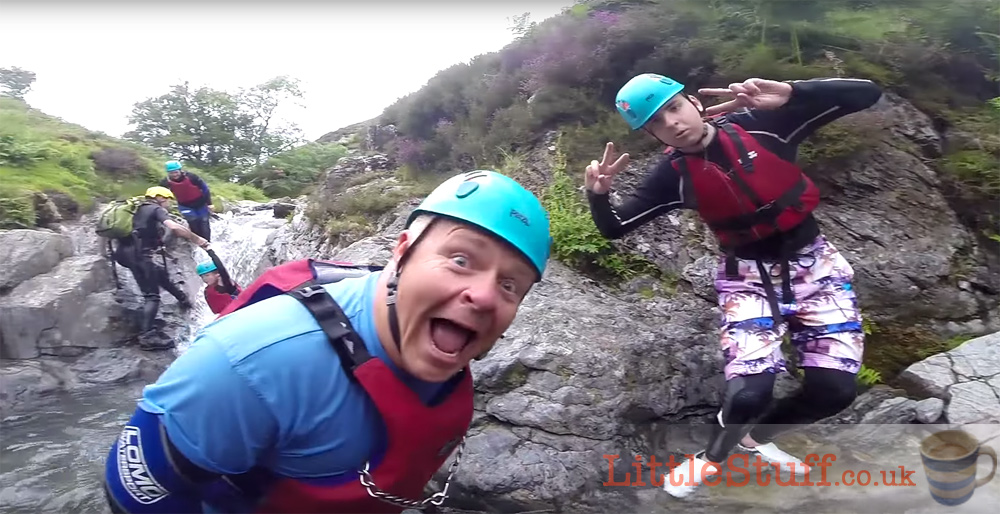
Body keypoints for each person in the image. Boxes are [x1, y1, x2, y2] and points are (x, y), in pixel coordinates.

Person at [102, 170, 552, 513]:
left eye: (510, 286)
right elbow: (131, 492)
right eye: (460, 259)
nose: (487, 296)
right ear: (401, 253)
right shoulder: (254, 361)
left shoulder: (438, 325)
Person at [586, 74, 882, 497]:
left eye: (674, 107)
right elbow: (616, 228)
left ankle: (757, 440)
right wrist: (598, 195)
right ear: (651, 133)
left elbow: (867, 93)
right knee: (747, 394)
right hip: (749, 280)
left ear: (692, 101)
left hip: (817, 268)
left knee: (835, 391)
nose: (672, 123)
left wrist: (794, 92)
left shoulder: (764, 124)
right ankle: (711, 458)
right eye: (656, 122)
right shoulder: (672, 175)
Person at [112, 186, 211, 350]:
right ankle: (147, 336)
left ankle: (181, 297)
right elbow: (173, 227)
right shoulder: (156, 209)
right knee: (152, 296)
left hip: (123, 253)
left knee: (157, 272)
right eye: (169, 200)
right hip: (139, 255)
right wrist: (198, 239)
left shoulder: (135, 208)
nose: (170, 204)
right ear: (160, 198)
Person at [159, 160, 214, 242]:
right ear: (168, 173)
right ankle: (198, 242)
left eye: (176, 172)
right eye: (171, 173)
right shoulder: (166, 182)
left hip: (201, 204)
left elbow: (205, 189)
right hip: (185, 205)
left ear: (180, 170)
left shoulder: (191, 177)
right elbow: (160, 192)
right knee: (193, 222)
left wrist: (209, 204)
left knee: (204, 222)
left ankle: (208, 243)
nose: (174, 175)